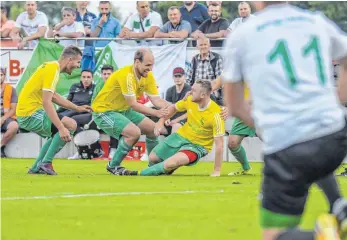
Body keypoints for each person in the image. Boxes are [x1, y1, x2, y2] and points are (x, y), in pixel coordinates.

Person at [222, 2, 347, 239]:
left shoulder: (243, 34)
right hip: (335, 135)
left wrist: (264, 127)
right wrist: (338, 99)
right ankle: (339, 205)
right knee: (314, 158)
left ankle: (321, 235)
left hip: (288, 147)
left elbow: (234, 105)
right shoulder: (316, 21)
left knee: (274, 235)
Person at [120, 80, 225, 177]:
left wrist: (217, 170)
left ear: (203, 95)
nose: (190, 92)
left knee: (171, 163)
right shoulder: (189, 100)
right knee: (153, 157)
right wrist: (161, 122)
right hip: (181, 136)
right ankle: (165, 169)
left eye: (193, 90)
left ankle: (137, 173)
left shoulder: (216, 115)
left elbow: (219, 145)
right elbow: (173, 108)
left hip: (198, 146)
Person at [91, 48, 170, 175]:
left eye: (152, 65)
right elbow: (133, 104)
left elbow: (156, 99)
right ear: (137, 62)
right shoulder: (126, 76)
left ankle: (153, 166)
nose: (150, 68)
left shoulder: (147, 75)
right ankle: (113, 166)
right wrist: (157, 113)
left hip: (123, 110)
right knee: (134, 133)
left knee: (153, 129)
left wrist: (171, 108)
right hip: (103, 111)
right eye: (148, 65)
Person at [16, 46, 91, 175]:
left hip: (30, 112)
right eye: (78, 62)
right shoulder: (52, 70)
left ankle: (37, 167)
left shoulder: (51, 67)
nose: (78, 66)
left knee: (61, 130)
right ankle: (45, 163)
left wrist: (77, 108)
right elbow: (46, 102)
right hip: (30, 113)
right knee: (69, 125)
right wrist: (61, 127)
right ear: (69, 59)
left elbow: (54, 97)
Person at [91, 64, 119, 159]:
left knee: (113, 123)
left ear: (113, 74)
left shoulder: (117, 85)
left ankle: (114, 149)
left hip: (115, 113)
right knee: (87, 124)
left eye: (109, 74)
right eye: (104, 74)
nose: (107, 76)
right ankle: (95, 150)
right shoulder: (99, 86)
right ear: (101, 75)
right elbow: (94, 102)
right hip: (100, 114)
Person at [186, 38, 224, 105]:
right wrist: (191, 91)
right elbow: (188, 80)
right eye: (201, 45)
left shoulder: (217, 58)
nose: (203, 47)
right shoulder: (194, 59)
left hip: (212, 93)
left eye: (205, 44)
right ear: (197, 47)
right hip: (196, 93)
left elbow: (220, 82)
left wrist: (208, 91)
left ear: (209, 46)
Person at [164, 67, 191, 134]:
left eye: (180, 76)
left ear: (184, 77)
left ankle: (172, 143)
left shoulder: (189, 90)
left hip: (185, 118)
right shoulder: (169, 90)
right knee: (157, 127)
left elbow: (190, 111)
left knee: (176, 126)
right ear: (173, 77)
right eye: (175, 76)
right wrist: (167, 118)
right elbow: (167, 107)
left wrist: (176, 120)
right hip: (172, 117)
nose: (177, 78)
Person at [0, 68, 19, 158]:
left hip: (6, 118)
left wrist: (3, 119)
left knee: (14, 126)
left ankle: (1, 146)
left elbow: (13, 109)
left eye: (1, 75)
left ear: (4, 76)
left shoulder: (11, 90)